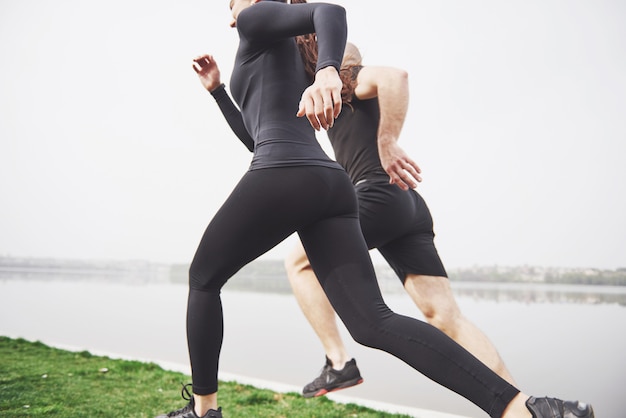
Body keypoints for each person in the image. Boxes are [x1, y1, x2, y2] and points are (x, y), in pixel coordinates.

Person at [156, 1, 594, 417]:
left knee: (203, 278)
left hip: (289, 171)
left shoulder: (256, 18)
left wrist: (328, 71)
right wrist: (217, 92)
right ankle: (529, 409)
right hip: (329, 183)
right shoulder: (276, 54)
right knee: (373, 323)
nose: (229, 8)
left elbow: (330, 11)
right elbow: (256, 139)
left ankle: (204, 410)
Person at [283, 41, 517, 399]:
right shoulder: (336, 97)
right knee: (444, 316)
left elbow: (396, 76)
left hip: (377, 194)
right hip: (406, 204)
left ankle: (338, 363)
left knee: (298, 261)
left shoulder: (349, 80)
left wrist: (388, 142)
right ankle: (521, 403)